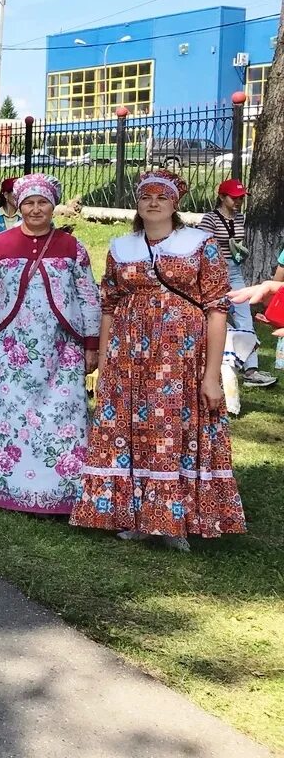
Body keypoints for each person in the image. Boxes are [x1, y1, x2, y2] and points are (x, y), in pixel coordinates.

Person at [71, 169, 246, 548]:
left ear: (175, 203)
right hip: (128, 353)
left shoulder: (201, 244)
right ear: (137, 203)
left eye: (161, 197)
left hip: (180, 353)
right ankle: (133, 513)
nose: (153, 203)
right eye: (146, 196)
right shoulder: (121, 247)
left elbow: (217, 308)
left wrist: (212, 374)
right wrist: (103, 358)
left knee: (171, 428)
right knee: (131, 429)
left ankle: (174, 518)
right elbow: (109, 304)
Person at [0, 173, 102, 514]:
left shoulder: (72, 248)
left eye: (43, 202)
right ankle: (3, 483)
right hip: (10, 346)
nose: (36, 209)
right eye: (29, 202)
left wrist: (91, 343)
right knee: (6, 414)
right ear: (18, 205)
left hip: (62, 348)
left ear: (53, 206)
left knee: (62, 415)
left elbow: (88, 297)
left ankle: (61, 487)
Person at [198, 179, 276, 387]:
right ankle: (209, 367)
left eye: (241, 198)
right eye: (235, 197)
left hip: (234, 271)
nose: (239, 201)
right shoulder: (210, 220)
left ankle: (251, 370)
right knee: (214, 318)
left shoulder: (239, 218)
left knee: (244, 316)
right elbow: (200, 246)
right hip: (213, 273)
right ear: (222, 197)